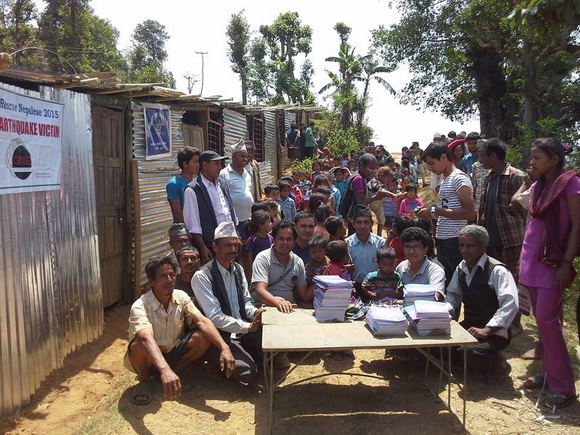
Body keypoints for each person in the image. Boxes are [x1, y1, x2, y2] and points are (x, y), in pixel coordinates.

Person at [518, 138, 579, 409]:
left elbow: (577, 225)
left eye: (537, 157)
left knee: (548, 323)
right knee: (543, 325)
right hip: (532, 261)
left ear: (554, 159)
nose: (532, 162)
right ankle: (549, 374)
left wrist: (567, 263)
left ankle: (564, 388)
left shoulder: (571, 185)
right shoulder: (537, 187)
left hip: (553, 264)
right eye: (531, 157)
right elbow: (531, 225)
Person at [125, 255, 235, 405]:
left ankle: (171, 374)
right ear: (151, 282)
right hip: (150, 358)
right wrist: (164, 369)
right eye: (163, 276)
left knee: (201, 338)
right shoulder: (140, 305)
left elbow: (202, 321)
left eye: (171, 275)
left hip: (174, 351)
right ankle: (146, 382)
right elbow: (146, 338)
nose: (169, 280)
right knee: (139, 345)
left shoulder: (181, 296)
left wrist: (224, 347)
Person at [192, 221, 264, 385]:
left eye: (235, 245)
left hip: (243, 330)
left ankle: (242, 357)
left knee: (274, 351)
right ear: (215, 247)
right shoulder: (202, 276)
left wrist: (256, 313)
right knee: (249, 374)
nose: (233, 250)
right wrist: (248, 327)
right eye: (227, 246)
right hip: (221, 336)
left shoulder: (238, 269)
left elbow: (246, 302)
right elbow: (215, 317)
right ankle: (214, 361)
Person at [446, 225, 518, 379]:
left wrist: (487, 329)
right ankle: (474, 361)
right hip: (470, 325)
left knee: (471, 353)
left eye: (470, 246)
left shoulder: (497, 270)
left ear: (483, 247)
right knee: (440, 347)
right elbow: (453, 295)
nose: (464, 250)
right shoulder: (462, 267)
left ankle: (497, 360)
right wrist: (443, 313)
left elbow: (510, 304)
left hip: (494, 332)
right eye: (462, 245)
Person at [416, 142, 476, 284]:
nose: (431, 169)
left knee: (457, 284)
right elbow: (447, 212)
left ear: (443, 157)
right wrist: (430, 213)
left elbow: (470, 213)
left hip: (455, 240)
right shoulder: (446, 180)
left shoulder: (459, 178)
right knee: (447, 284)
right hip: (444, 239)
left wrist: (436, 210)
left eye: (432, 164)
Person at [477, 138, 526, 276]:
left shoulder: (515, 177)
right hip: (490, 242)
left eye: (482, 156)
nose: (480, 160)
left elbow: (526, 211)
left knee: (513, 279)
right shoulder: (489, 177)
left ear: (493, 156)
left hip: (511, 242)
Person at [183, 150, 237, 264]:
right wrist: (203, 248)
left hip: (230, 242)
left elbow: (230, 211)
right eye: (216, 164)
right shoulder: (193, 190)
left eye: (220, 164)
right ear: (205, 165)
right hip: (212, 244)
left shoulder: (222, 184)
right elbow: (193, 225)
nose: (220, 167)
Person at [252, 221, 309, 312]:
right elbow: (260, 290)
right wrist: (278, 303)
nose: (285, 242)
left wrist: (321, 282)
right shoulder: (263, 258)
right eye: (281, 239)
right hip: (265, 307)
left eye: (289, 239)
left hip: (289, 308)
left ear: (294, 242)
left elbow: (304, 296)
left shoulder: (298, 262)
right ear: (274, 240)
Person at [345, 205, 386, 300]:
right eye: (359, 222)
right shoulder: (347, 244)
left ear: (372, 224)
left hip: (376, 288)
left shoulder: (381, 243)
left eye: (366, 222)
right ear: (353, 224)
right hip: (354, 289)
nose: (362, 226)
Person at [396, 227, 446, 296]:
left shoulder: (435, 271)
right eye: (407, 247)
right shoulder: (401, 267)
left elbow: (436, 296)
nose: (411, 251)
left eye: (416, 247)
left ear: (425, 249)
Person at [166, 147, 200, 223]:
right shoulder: (174, 184)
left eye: (198, 162)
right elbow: (177, 212)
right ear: (185, 164)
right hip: (183, 228)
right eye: (195, 162)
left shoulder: (197, 182)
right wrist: (189, 228)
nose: (198, 165)